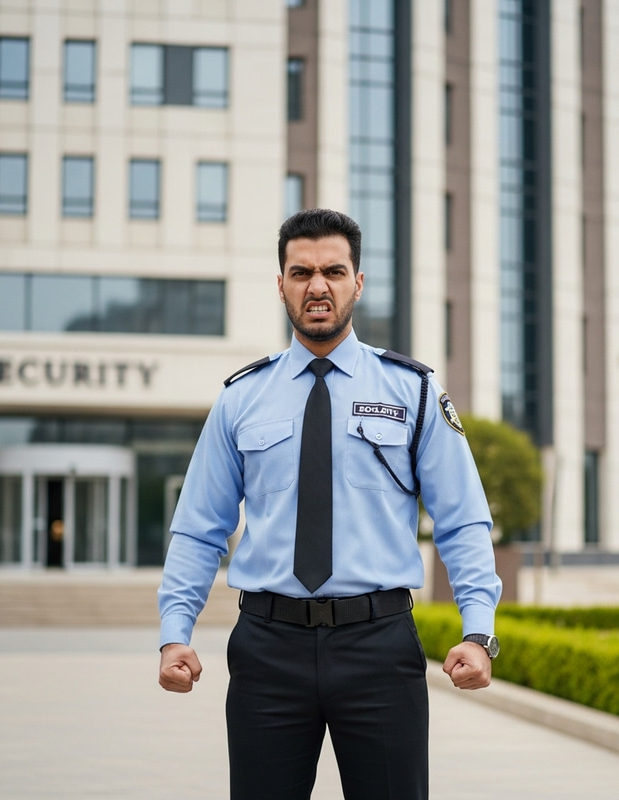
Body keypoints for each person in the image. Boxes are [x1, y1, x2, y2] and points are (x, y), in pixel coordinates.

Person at [158, 208, 502, 800]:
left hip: (380, 646)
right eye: (302, 272)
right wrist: (174, 632)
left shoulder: (413, 391)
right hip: (268, 649)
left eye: (334, 271)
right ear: (281, 284)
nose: (318, 286)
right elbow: (198, 528)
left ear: (358, 283)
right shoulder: (241, 398)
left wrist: (479, 632)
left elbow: (462, 517)